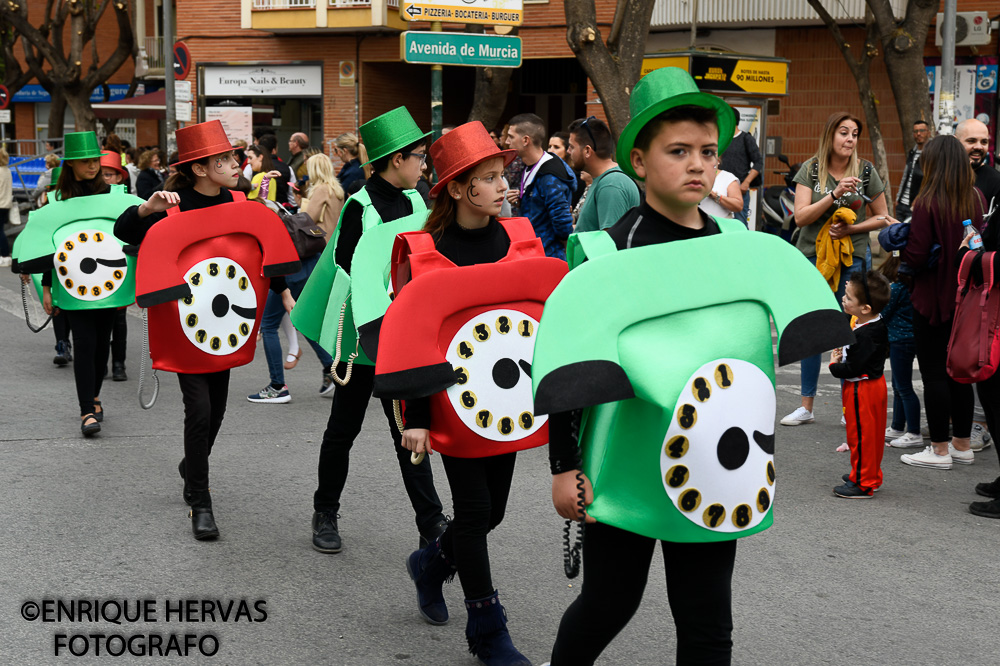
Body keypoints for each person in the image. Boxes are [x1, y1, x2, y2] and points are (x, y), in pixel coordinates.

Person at [538, 67, 851, 665]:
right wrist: (564, 467)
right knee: (610, 603)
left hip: (715, 466)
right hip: (622, 467)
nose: (698, 165)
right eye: (677, 151)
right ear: (639, 160)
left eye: (708, 152)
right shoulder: (608, 254)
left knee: (707, 622)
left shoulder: (741, 248)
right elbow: (572, 368)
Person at [387, 121, 533, 665]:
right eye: (489, 177)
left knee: (490, 513)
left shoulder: (518, 240)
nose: (502, 186)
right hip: (451, 404)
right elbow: (414, 342)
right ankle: (487, 630)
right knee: (474, 514)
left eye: (503, 175)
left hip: (508, 402)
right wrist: (417, 416)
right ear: (456, 187)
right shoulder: (424, 253)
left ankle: (428, 564)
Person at [115, 120, 297, 540]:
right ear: (199, 168)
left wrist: (284, 293)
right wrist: (147, 209)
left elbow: (263, 252)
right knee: (197, 410)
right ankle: (201, 498)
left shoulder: (239, 200)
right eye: (225, 159)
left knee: (215, 411)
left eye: (235, 157)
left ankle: (190, 466)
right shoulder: (173, 204)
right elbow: (123, 232)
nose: (236, 164)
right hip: (184, 327)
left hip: (227, 325)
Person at [303, 107, 447, 554]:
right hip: (362, 339)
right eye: (419, 157)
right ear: (396, 159)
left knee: (408, 426)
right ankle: (325, 510)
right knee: (343, 428)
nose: (423, 165)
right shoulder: (358, 207)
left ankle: (430, 521)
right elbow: (346, 268)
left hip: (402, 335)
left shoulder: (419, 202)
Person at [780, 111, 894, 427]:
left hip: (852, 259)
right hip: (812, 259)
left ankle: (849, 404)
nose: (849, 139)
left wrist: (850, 230)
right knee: (811, 328)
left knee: (850, 331)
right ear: (831, 136)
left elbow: (883, 217)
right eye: (843, 132)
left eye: (854, 134)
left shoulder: (866, 171)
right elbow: (800, 217)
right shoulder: (811, 170)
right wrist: (835, 194)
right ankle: (806, 406)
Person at [16, 132, 132, 437]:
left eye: (96, 160)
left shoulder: (113, 196)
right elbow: (47, 248)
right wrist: (45, 287)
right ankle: (85, 411)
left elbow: (125, 237)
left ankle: (94, 396)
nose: (93, 166)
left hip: (109, 283)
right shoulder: (56, 201)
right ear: (72, 165)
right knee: (84, 344)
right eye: (86, 162)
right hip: (71, 284)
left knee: (100, 347)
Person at [897, 135, 985, 470]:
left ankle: (939, 449)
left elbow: (916, 255)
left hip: (932, 299)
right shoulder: (975, 198)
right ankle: (962, 444)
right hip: (965, 299)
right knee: (959, 373)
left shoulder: (927, 202)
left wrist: (899, 246)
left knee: (933, 372)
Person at [247, 154, 342, 404]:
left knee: (268, 325)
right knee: (304, 318)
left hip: (292, 263)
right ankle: (332, 369)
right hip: (315, 258)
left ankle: (278, 385)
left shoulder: (318, 191)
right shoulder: (337, 191)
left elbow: (306, 218)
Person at [829, 270, 891, 498]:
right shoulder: (873, 322)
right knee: (871, 435)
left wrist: (833, 365)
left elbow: (851, 369)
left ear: (865, 308)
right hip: (873, 385)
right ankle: (867, 474)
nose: (843, 299)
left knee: (861, 436)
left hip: (861, 388)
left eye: (848, 297)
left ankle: (863, 482)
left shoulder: (865, 334)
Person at [505, 113, 576, 260]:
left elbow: (563, 226)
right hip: (533, 254)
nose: (506, 142)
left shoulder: (550, 175)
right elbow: (540, 205)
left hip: (549, 257)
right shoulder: (530, 167)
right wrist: (523, 200)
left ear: (526, 140)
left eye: (511, 137)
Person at [876, 255, 922, 448]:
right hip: (912, 338)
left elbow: (883, 314)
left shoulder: (894, 289)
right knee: (898, 385)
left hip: (899, 340)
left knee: (902, 387)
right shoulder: (914, 287)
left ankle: (913, 431)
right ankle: (897, 426)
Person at [566, 115, 639, 233]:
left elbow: (610, 243)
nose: (568, 151)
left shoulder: (611, 185)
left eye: (572, 147)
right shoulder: (605, 181)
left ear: (587, 151)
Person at [100, 151, 132, 382]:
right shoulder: (86, 200)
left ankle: (119, 363)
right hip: (92, 265)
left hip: (120, 262)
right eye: (102, 174)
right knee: (97, 318)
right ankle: (100, 361)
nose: (105, 178)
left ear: (119, 177)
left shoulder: (127, 201)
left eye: (109, 174)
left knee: (119, 319)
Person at [719, 106, 763, 226]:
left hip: (739, 190)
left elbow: (758, 162)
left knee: (740, 224)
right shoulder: (720, 139)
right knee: (719, 223)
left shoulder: (745, 138)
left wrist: (746, 182)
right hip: (720, 190)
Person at [955, 118, 1000, 216]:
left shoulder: (996, 181)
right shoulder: (942, 174)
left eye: (984, 142)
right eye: (971, 141)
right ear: (956, 142)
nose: (979, 147)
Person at [895, 120, 930, 221]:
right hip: (902, 204)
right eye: (916, 131)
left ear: (929, 132)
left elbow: (931, 181)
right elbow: (905, 176)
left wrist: (919, 198)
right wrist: (898, 198)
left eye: (922, 130)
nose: (918, 134)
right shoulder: (912, 152)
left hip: (916, 206)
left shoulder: (932, 154)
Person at [0, 147, 12, 266]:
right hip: (6, 203)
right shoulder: (7, 171)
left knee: (0, 231)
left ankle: (4, 255)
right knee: (1, 230)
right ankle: (5, 255)